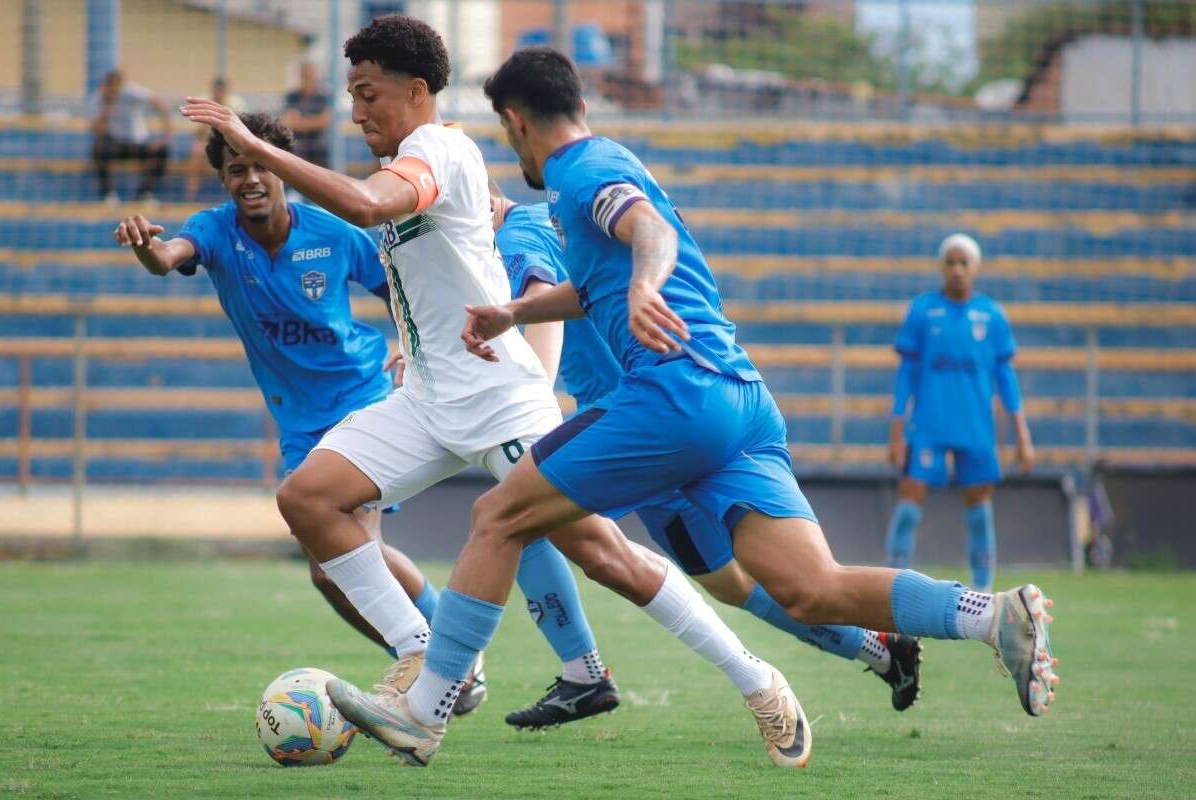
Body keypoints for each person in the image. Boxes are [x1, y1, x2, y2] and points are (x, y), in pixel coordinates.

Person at [349, 46, 1061, 768]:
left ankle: (424, 709)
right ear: (582, 106)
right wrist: (515, 312)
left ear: (514, 123)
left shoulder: (578, 173)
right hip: (741, 399)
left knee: (497, 517)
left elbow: (647, 236)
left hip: (672, 395)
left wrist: (644, 286)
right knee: (810, 589)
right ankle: (991, 614)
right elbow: (606, 271)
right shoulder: (612, 160)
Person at [182, 15, 807, 768]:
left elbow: (372, 206)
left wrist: (256, 147)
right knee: (308, 499)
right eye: (350, 95)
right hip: (429, 396)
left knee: (604, 556)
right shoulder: (419, 157)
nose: (355, 111)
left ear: (416, 92)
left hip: (499, 398)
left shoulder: (436, 148)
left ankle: (758, 680)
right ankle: (427, 657)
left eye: (367, 93)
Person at [111, 111, 616, 720]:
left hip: (365, 395)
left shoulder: (330, 230)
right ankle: (446, 659)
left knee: (484, 525)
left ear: (283, 171)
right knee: (331, 574)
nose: (250, 179)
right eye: (236, 169)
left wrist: (420, 341)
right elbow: (169, 256)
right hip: (300, 420)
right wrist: (147, 248)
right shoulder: (216, 232)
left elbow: (408, 286)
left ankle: (445, 663)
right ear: (221, 179)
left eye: (260, 166)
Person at [489, 181, 923, 726]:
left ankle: (586, 672)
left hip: (631, 423)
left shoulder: (513, 236)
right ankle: (880, 648)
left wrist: (536, 403)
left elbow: (541, 301)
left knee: (730, 580)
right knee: (731, 579)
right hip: (651, 404)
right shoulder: (547, 220)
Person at [884, 234, 1035, 593]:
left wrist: (1021, 435)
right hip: (928, 426)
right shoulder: (922, 311)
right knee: (908, 503)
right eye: (950, 263)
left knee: (980, 508)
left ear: (976, 268)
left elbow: (1006, 379)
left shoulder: (993, 316)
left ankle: (983, 593)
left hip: (975, 427)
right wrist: (896, 429)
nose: (957, 270)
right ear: (942, 266)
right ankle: (890, 583)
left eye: (963, 263)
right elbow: (906, 375)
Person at [89, 69, 171, 203]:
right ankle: (108, 195)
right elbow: (97, 131)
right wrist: (108, 108)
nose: (115, 91)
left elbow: (160, 104)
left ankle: (144, 194)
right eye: (112, 87)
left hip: (138, 143)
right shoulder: (98, 99)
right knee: (98, 148)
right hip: (117, 144)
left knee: (162, 151)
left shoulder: (131, 92)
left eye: (118, 86)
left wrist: (164, 137)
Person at [185, 77, 247, 199]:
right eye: (217, 90)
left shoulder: (236, 103)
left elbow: (242, 130)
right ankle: (192, 192)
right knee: (197, 149)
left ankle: (234, 188)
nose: (219, 93)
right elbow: (198, 133)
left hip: (230, 141)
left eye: (222, 90)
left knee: (235, 154)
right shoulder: (203, 101)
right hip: (208, 140)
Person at [282, 62, 332, 168]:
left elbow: (324, 122)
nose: (309, 78)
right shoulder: (292, 96)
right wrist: (314, 121)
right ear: (301, 76)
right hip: (297, 143)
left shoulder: (323, 96)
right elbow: (290, 122)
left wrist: (302, 121)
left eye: (311, 75)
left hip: (318, 144)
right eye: (305, 75)